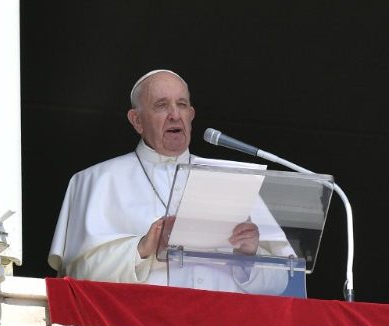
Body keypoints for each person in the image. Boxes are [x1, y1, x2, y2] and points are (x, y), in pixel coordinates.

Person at [48, 69, 291, 295]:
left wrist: (248, 257)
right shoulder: (97, 180)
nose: (175, 115)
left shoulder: (234, 180)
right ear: (137, 121)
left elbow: (282, 281)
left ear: (191, 115)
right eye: (161, 106)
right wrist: (143, 248)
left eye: (182, 105)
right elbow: (77, 278)